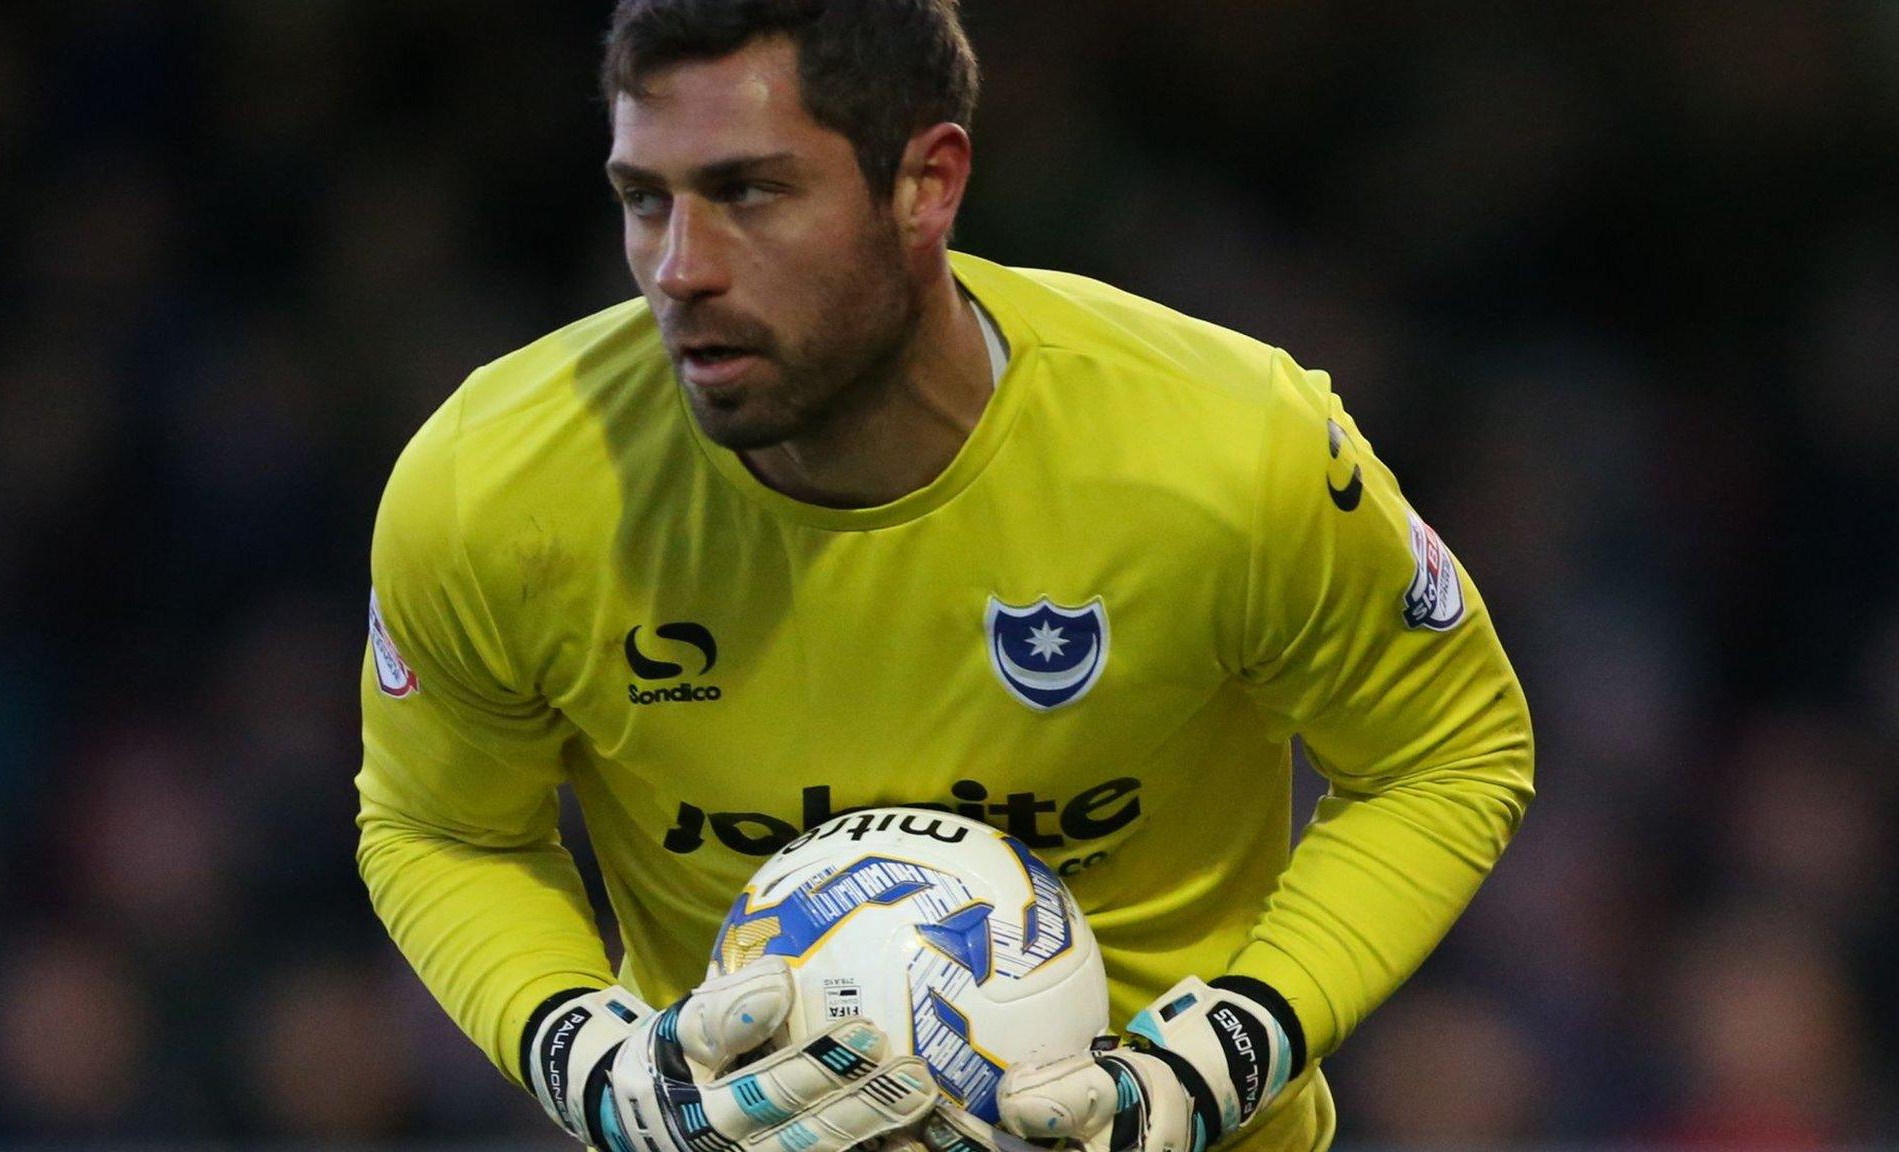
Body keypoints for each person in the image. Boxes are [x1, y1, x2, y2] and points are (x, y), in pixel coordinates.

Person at [356, 2, 1534, 1150]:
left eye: (747, 192)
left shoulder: (1225, 451)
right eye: (642, 199)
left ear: (926, 184)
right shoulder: (495, 491)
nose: (678, 269)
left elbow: (1445, 752)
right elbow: (439, 828)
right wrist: (589, 1060)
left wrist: (1233, 1046)